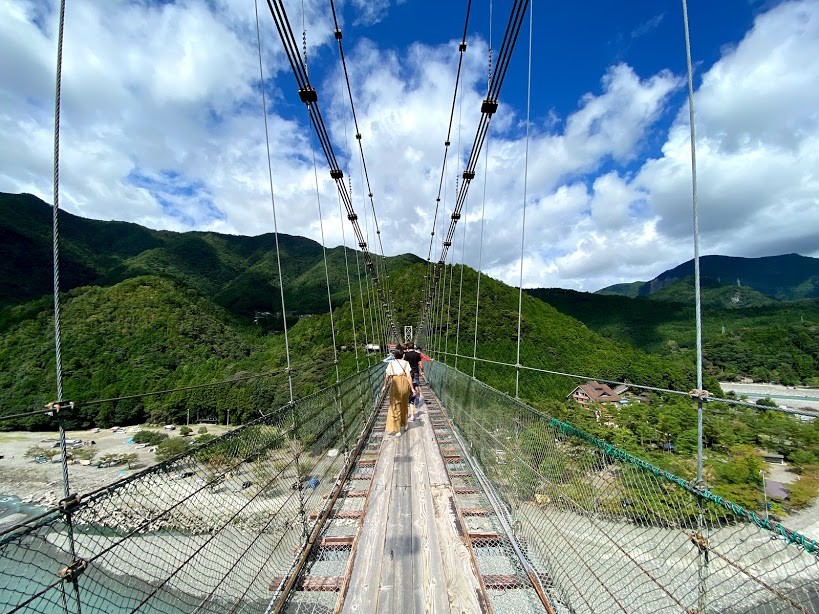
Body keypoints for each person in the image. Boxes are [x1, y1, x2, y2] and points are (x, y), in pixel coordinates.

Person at [383, 348, 413, 437]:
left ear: (394, 355)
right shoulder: (406, 363)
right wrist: (412, 388)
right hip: (404, 385)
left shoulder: (391, 364)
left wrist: (384, 386)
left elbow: (387, 377)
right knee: (404, 405)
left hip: (395, 385)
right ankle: (405, 423)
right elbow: (409, 377)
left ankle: (397, 430)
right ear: (403, 355)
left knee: (395, 406)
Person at [403, 342, 423, 422]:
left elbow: (404, 364)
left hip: (408, 372)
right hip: (416, 372)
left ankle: (409, 396)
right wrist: (422, 371)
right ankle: (416, 398)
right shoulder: (417, 354)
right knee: (416, 384)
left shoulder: (406, 355)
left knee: (409, 385)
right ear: (414, 347)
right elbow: (420, 364)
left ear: (408, 347)